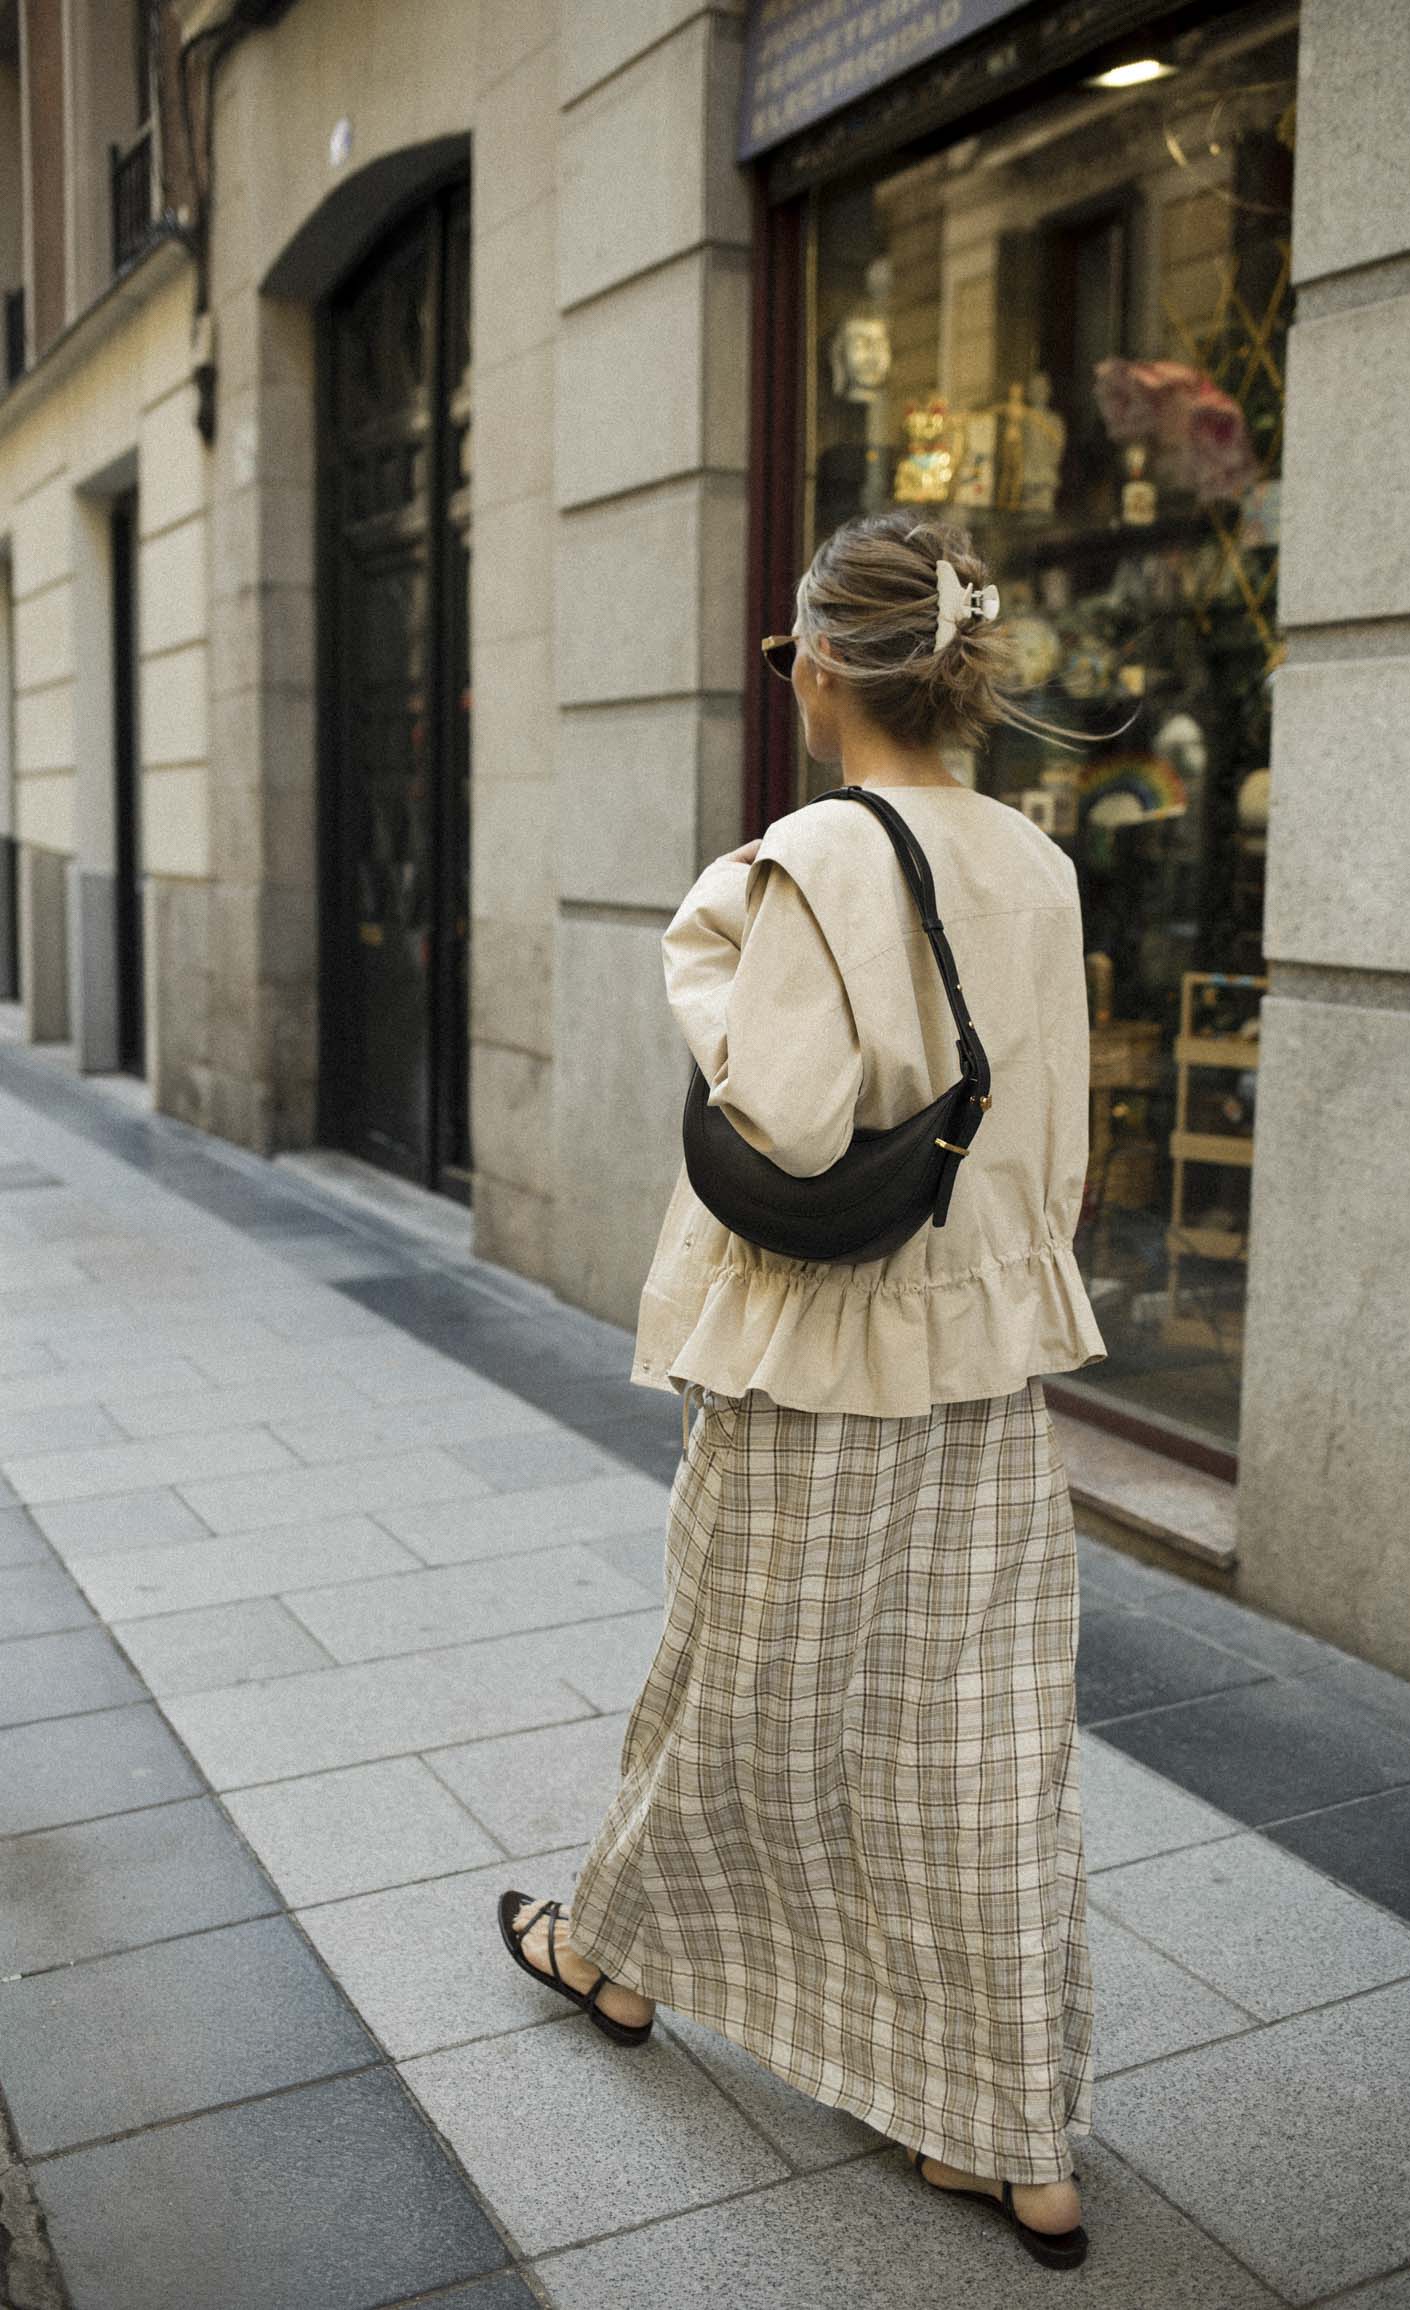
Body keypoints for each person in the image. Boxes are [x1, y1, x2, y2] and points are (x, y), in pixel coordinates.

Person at [498, 507, 1107, 2271]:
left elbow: (783, 1119)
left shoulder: (811, 856)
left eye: (791, 657)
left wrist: (721, 962)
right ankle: (1015, 2138)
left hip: (822, 1355)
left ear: (824, 664)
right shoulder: (1041, 864)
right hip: (986, 1359)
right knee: (978, 1736)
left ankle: (610, 1955)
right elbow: (1056, 1153)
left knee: (741, 1689)